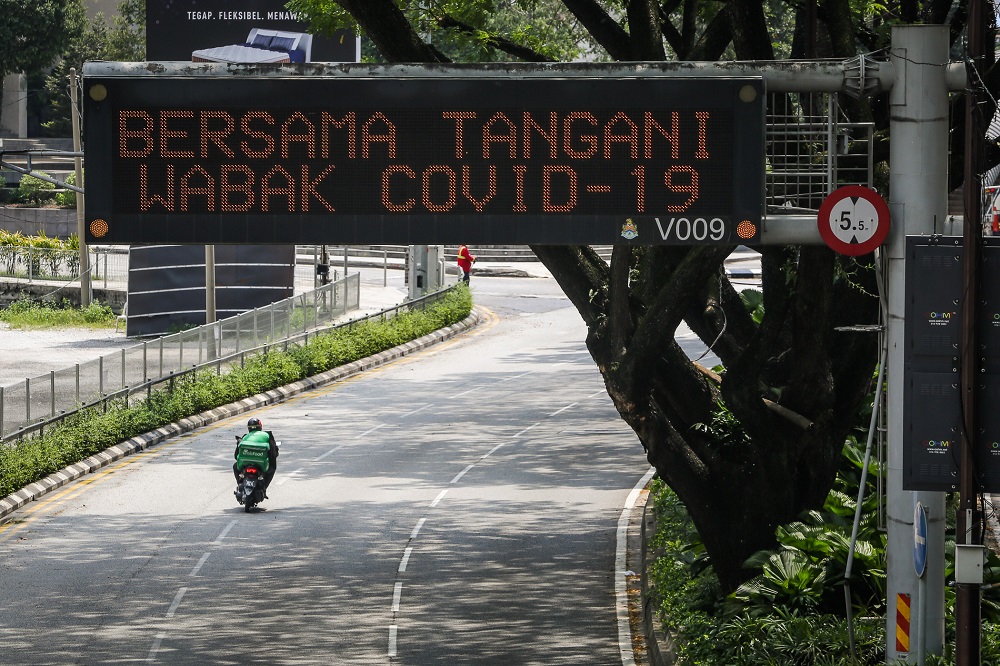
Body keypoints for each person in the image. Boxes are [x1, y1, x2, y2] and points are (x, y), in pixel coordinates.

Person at [233, 417, 278, 496]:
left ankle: (240, 484)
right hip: (261, 464)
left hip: (245, 464)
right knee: (272, 468)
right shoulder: (267, 435)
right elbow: (273, 452)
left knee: (235, 466)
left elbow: (236, 455)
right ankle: (263, 489)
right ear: (260, 426)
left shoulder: (245, 437)